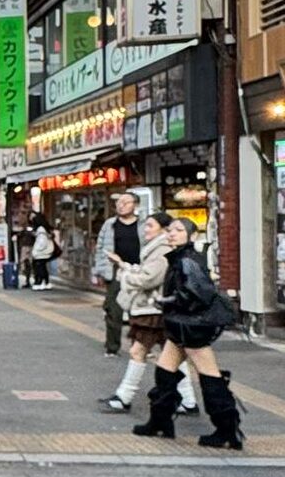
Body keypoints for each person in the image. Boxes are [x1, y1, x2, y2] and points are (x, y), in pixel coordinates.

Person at [133, 216, 245, 448]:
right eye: (170, 230)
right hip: (182, 326)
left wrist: (168, 301)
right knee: (165, 371)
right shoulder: (181, 258)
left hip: (192, 328)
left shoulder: (188, 260)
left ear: (191, 235)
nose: (172, 233)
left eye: (179, 230)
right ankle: (160, 421)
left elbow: (198, 293)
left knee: (209, 375)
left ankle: (227, 429)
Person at [98, 210, 196, 417]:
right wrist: (125, 266)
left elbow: (149, 278)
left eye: (150, 225)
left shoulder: (161, 250)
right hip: (156, 310)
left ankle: (124, 397)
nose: (145, 229)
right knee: (174, 355)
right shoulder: (158, 249)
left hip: (152, 310)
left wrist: (125, 275)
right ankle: (188, 401)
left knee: (140, 352)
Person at [93, 192, 142, 355]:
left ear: (135, 205)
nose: (121, 205)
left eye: (125, 202)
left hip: (138, 271)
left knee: (139, 310)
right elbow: (100, 248)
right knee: (114, 309)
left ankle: (140, 345)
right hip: (116, 271)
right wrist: (99, 270)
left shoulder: (143, 224)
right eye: (119, 203)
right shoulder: (109, 224)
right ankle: (112, 346)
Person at [29, 213, 59, 290]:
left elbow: (41, 242)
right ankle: (46, 282)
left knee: (39, 267)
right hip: (46, 252)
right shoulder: (45, 229)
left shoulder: (40, 230)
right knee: (43, 267)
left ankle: (40, 282)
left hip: (41, 252)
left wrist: (35, 251)